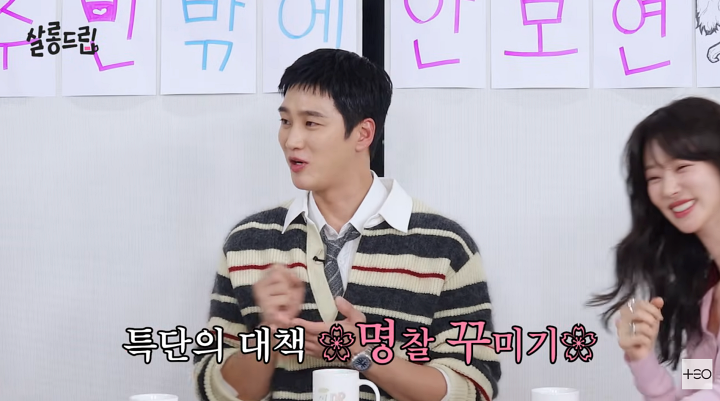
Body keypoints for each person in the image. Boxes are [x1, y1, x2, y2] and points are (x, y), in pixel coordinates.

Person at [191, 48, 501, 401]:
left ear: (363, 133)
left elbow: (473, 387)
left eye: (311, 123)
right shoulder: (248, 243)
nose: (292, 140)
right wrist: (270, 334)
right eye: (286, 121)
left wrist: (365, 354)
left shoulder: (444, 246)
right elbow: (214, 388)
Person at [588, 96, 720, 400]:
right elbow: (696, 391)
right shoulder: (705, 299)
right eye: (655, 177)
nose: (669, 189)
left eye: (682, 167)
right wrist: (641, 358)